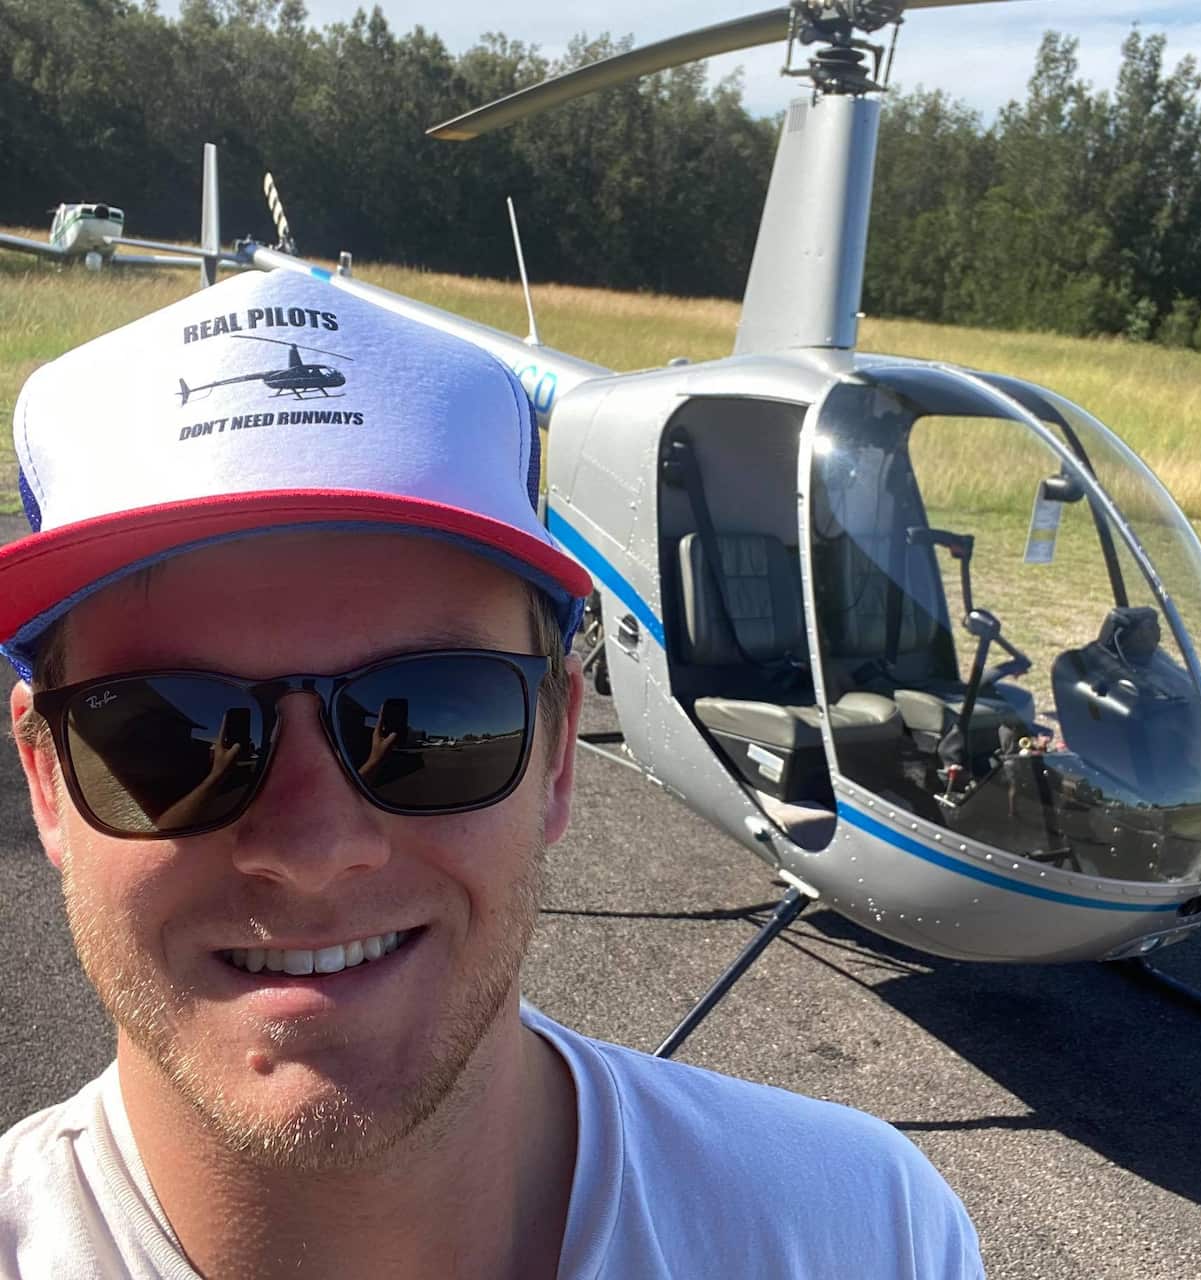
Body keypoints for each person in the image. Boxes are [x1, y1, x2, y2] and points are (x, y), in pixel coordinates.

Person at [0, 271, 984, 1278]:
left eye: (432, 714)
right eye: (168, 733)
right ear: (44, 778)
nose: (313, 847)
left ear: (557, 753)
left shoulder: (866, 1233)